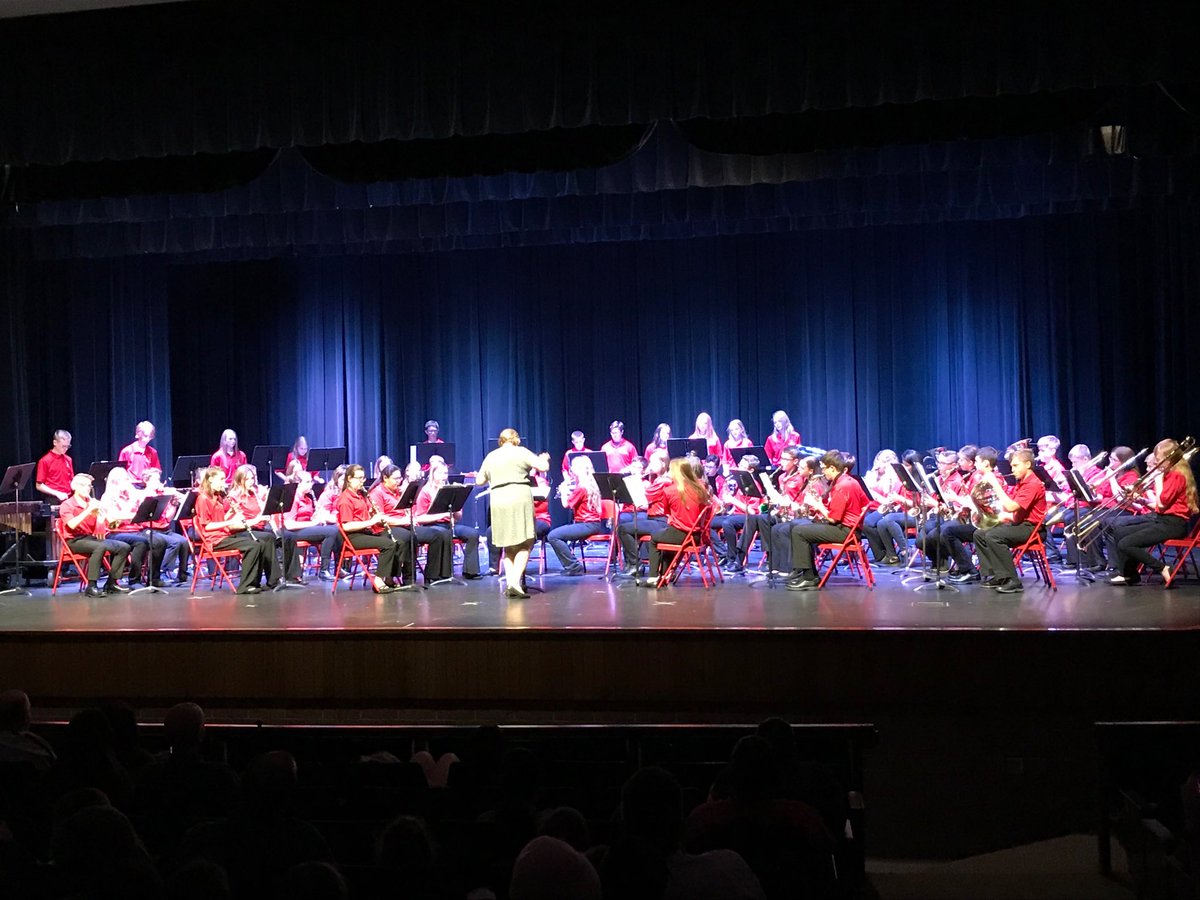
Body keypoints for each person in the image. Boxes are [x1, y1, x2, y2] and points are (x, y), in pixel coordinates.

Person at [1108, 438, 1198, 585]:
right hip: (1162, 519)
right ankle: (1129, 575)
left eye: (1159, 459)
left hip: (1173, 524)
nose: (1156, 463)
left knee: (1126, 544)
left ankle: (1162, 568)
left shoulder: (1176, 476)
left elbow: (1162, 504)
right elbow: (1160, 505)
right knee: (1119, 532)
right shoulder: (1169, 474)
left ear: (1169, 459)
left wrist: (1157, 479)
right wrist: (1142, 500)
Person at [476, 429, 551, 598]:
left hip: (498, 500)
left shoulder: (491, 456)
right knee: (526, 542)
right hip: (518, 497)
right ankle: (515, 582)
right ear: (516, 439)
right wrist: (544, 458)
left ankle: (511, 584)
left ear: (501, 441)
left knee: (508, 545)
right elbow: (543, 467)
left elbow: (479, 481)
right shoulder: (521, 452)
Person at [784, 450, 869, 591]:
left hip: (846, 532)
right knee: (800, 525)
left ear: (832, 468)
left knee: (799, 532)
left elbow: (833, 518)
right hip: (846, 528)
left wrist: (817, 505)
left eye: (824, 468)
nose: (823, 472)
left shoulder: (843, 486)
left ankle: (810, 578)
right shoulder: (848, 481)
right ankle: (806, 573)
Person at [971, 446, 1046, 594]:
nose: (1012, 469)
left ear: (1028, 465)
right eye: (1011, 465)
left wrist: (995, 484)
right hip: (1019, 524)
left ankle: (1012, 580)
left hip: (1032, 528)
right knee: (979, 534)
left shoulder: (1033, 484)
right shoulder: (1022, 481)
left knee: (994, 536)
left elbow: (1011, 506)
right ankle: (997, 575)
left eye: (1016, 465)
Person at [370, 463, 453, 584]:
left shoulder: (398, 491)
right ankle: (408, 578)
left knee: (437, 535)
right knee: (409, 538)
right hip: (386, 529)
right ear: (385, 478)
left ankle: (431, 576)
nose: (399, 481)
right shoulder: (377, 493)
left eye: (400, 478)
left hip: (403, 525)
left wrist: (409, 517)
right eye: (396, 478)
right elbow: (380, 518)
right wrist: (401, 521)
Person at [192, 466, 268, 595]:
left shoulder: (217, 497)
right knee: (253, 546)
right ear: (210, 479)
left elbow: (219, 520)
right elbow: (207, 526)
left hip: (223, 535)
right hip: (214, 540)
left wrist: (231, 513)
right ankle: (245, 585)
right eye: (221, 479)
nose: (224, 483)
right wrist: (230, 522)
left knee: (260, 543)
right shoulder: (203, 499)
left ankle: (254, 582)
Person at [640, 457, 711, 587]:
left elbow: (666, 511)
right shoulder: (701, 487)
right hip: (698, 536)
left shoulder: (670, 491)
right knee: (666, 535)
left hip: (684, 535)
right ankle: (665, 574)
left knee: (655, 538)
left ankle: (653, 577)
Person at [59, 473, 132, 597]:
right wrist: (88, 510)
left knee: (124, 547)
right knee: (100, 547)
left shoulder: (90, 503)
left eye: (89, 486)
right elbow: (72, 524)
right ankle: (91, 586)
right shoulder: (67, 504)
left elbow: (96, 529)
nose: (87, 488)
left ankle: (111, 583)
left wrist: (102, 518)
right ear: (75, 487)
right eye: (84, 485)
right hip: (74, 541)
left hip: (89, 538)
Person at [335, 464, 403, 593]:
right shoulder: (346, 499)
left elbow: (363, 515)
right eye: (359, 478)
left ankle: (389, 578)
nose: (362, 481)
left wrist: (372, 512)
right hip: (353, 536)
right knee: (388, 545)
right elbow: (346, 526)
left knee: (397, 541)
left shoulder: (361, 495)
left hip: (365, 533)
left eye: (363, 478)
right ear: (349, 479)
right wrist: (371, 521)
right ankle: (378, 580)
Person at [415, 460, 482, 578]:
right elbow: (420, 518)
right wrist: (441, 515)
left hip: (449, 524)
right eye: (440, 473)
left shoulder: (450, 489)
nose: (443, 476)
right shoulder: (425, 491)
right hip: (432, 525)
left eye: (445, 473)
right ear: (433, 474)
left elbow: (458, 517)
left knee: (473, 533)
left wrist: (457, 502)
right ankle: (443, 573)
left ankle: (470, 571)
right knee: (444, 533)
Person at [547, 455, 609, 576]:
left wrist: (563, 490)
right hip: (591, 524)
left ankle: (573, 566)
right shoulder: (589, 483)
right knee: (557, 535)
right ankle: (572, 565)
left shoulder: (581, 487)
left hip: (587, 524)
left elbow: (566, 504)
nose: (571, 470)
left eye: (573, 467)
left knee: (553, 536)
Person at [228, 464, 286, 587]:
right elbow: (232, 525)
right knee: (268, 537)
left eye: (252, 479)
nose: (251, 482)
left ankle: (283, 576)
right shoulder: (233, 497)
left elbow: (259, 515)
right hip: (240, 531)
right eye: (247, 479)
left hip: (256, 528)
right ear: (239, 480)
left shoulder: (253, 493)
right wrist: (256, 520)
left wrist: (265, 513)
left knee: (282, 535)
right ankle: (273, 579)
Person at [282, 470, 340, 582]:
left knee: (334, 529)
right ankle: (324, 570)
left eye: (311, 481)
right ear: (299, 484)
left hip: (305, 529)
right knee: (331, 531)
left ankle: (336, 567)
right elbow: (289, 524)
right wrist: (313, 523)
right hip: (294, 532)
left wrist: (317, 517)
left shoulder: (308, 498)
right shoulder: (293, 498)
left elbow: (308, 518)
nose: (311, 484)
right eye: (308, 482)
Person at [35, 429, 75, 501]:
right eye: (63, 446)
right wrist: (57, 493)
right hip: (53, 498)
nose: (66, 449)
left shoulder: (68, 459)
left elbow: (71, 480)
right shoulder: (45, 461)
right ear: (55, 443)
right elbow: (39, 485)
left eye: (68, 446)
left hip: (68, 497)